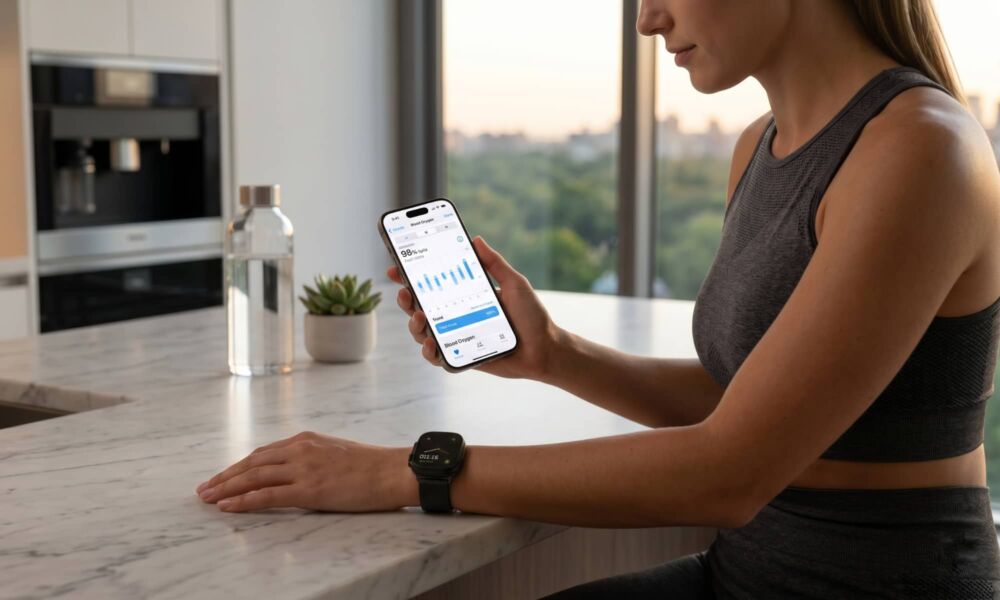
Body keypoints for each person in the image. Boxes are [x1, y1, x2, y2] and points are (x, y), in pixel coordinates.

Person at [195, 0, 1000, 596]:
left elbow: (731, 470)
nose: (647, 19)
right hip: (752, 571)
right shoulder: (763, 145)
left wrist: (404, 475)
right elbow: (754, 401)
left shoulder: (919, 150)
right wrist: (557, 356)